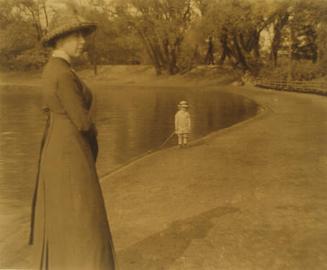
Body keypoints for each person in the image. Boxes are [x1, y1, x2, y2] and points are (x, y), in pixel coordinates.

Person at [28, 10, 116, 270]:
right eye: (76, 36)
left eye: (82, 36)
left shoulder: (52, 69)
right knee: (83, 212)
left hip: (56, 146)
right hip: (70, 149)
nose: (82, 41)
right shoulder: (64, 73)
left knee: (66, 210)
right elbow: (82, 122)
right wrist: (93, 142)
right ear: (61, 39)